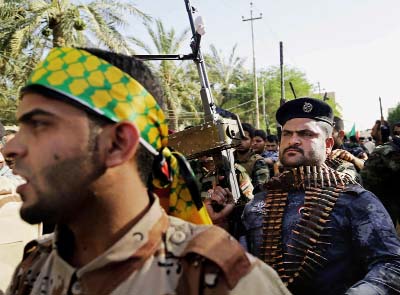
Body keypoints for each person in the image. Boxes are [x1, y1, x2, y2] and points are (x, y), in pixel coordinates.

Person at [4, 47, 290, 295]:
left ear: (117, 144)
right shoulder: (34, 267)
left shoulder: (223, 281)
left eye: (39, 125)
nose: (10, 148)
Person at [243, 97, 400, 295]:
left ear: (328, 144)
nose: (293, 140)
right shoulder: (259, 202)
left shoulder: (355, 200)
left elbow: (392, 265)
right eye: (287, 134)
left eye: (306, 134)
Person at [361, 121, 400, 229]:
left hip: (383, 203)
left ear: (380, 131)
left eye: (374, 129)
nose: (372, 131)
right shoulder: (388, 147)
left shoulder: (384, 150)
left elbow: (365, 178)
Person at [234, 123, 270, 194]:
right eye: (237, 138)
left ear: (252, 141)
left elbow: (261, 190)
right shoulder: (228, 160)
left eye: (245, 139)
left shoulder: (258, 162)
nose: (240, 142)